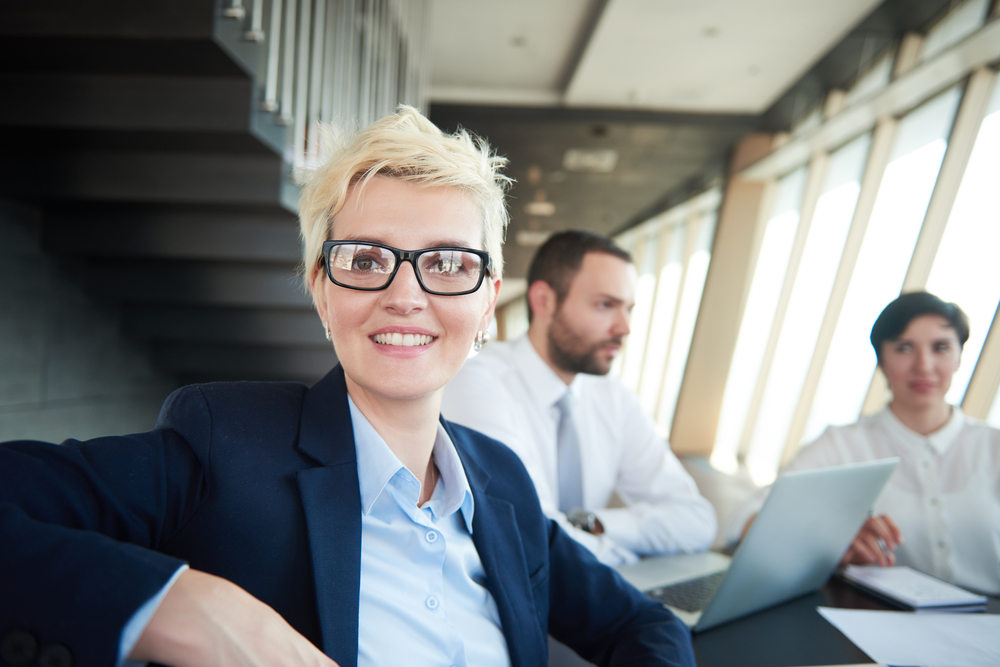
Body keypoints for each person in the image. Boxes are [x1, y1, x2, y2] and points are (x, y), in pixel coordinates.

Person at [0, 108, 697, 667]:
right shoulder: (224, 443)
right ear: (321, 290)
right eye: (366, 259)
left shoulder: (502, 482)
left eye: (448, 263)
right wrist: (179, 604)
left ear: (487, 302)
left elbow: (642, 623)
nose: (404, 294)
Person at [442, 230, 717, 567]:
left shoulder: (614, 398)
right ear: (544, 301)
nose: (624, 327)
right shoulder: (477, 382)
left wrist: (594, 523)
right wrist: (625, 557)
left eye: (628, 309)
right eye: (605, 305)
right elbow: (533, 535)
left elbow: (696, 520)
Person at [728, 292, 1000, 595]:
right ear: (881, 360)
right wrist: (828, 537)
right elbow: (746, 517)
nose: (924, 365)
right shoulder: (841, 444)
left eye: (941, 348)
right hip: (881, 618)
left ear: (959, 356)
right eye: (904, 348)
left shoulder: (993, 446)